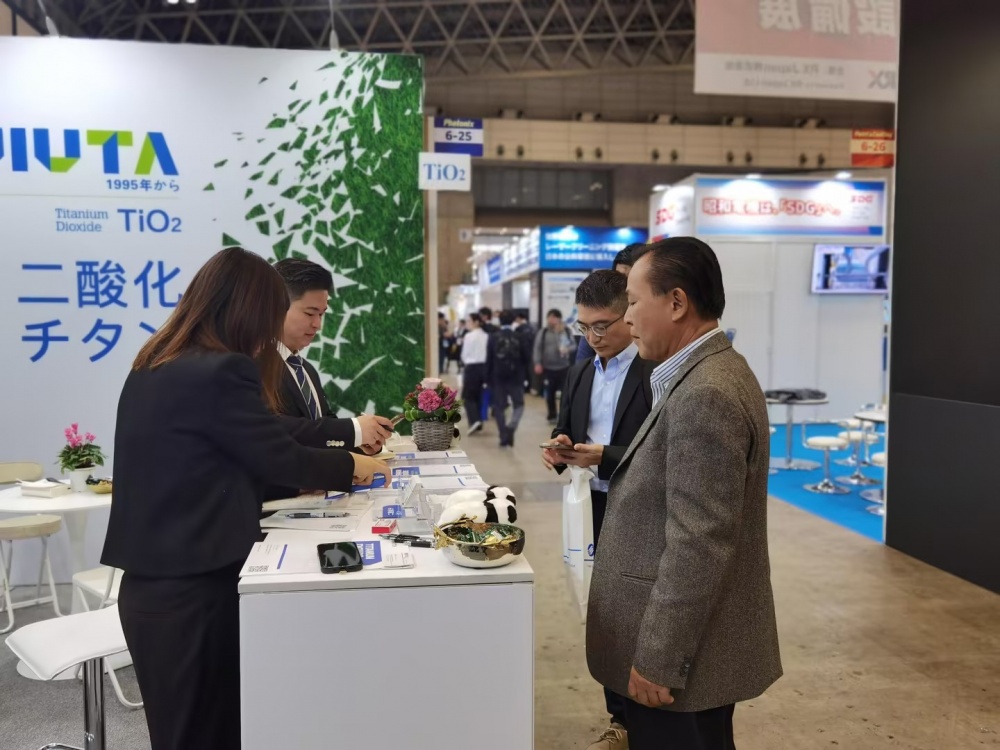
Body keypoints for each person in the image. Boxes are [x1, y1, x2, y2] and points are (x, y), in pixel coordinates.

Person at [102, 247, 388, 750]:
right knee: (204, 732)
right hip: (193, 589)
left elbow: (236, 450)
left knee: (185, 732)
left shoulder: (157, 361)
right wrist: (352, 467)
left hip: (157, 585)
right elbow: (276, 454)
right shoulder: (221, 370)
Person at [581, 238, 781, 750]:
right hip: (695, 647)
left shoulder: (706, 392)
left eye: (632, 301)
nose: (627, 317)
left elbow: (700, 542)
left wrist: (659, 658)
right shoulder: (701, 374)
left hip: (683, 659)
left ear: (675, 302)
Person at [542, 270, 655, 750]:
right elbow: (568, 428)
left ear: (629, 315)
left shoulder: (655, 373)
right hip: (592, 504)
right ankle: (620, 720)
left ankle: (648, 720)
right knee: (603, 614)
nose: (593, 337)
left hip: (642, 510)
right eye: (584, 327)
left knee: (641, 617)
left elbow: (662, 451)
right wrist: (560, 448)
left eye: (602, 326)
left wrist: (604, 456)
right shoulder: (581, 372)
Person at [273, 258, 393, 452]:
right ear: (277, 306)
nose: (317, 325)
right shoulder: (254, 365)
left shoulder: (306, 370)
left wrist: (359, 444)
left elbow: (322, 424)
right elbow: (275, 430)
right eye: (310, 313)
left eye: (321, 314)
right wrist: (353, 430)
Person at [577, 244, 641, 364]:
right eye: (619, 276)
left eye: (631, 278)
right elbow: (582, 363)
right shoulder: (595, 325)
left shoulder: (655, 322)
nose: (625, 285)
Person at [486, 309, 532, 447]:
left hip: (498, 376)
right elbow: (527, 358)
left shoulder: (493, 337)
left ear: (499, 321)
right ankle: (511, 426)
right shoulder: (520, 336)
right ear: (513, 321)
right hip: (516, 377)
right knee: (519, 404)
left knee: (499, 407)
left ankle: (503, 435)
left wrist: (487, 378)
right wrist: (527, 376)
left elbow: (489, 359)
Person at [533, 308, 574, 423]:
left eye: (555, 317)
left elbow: (573, 345)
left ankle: (564, 417)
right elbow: (537, 348)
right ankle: (552, 415)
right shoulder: (543, 332)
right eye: (550, 317)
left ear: (559, 319)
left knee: (565, 394)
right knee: (550, 393)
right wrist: (537, 363)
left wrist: (567, 349)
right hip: (548, 368)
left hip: (564, 367)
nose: (552, 320)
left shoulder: (566, 331)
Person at [460, 313, 488, 434]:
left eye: (469, 321)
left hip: (471, 367)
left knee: (466, 397)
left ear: (476, 322)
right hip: (484, 368)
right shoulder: (486, 336)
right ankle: (479, 421)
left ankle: (474, 420)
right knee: (478, 395)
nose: (467, 323)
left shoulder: (469, 336)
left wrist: (465, 363)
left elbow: (464, 354)